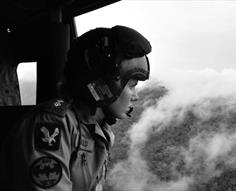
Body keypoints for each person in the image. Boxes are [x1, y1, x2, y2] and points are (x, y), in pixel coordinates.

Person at [0, 25, 151, 191]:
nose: (136, 96)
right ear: (105, 83)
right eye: (132, 85)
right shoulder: (52, 125)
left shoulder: (98, 129)